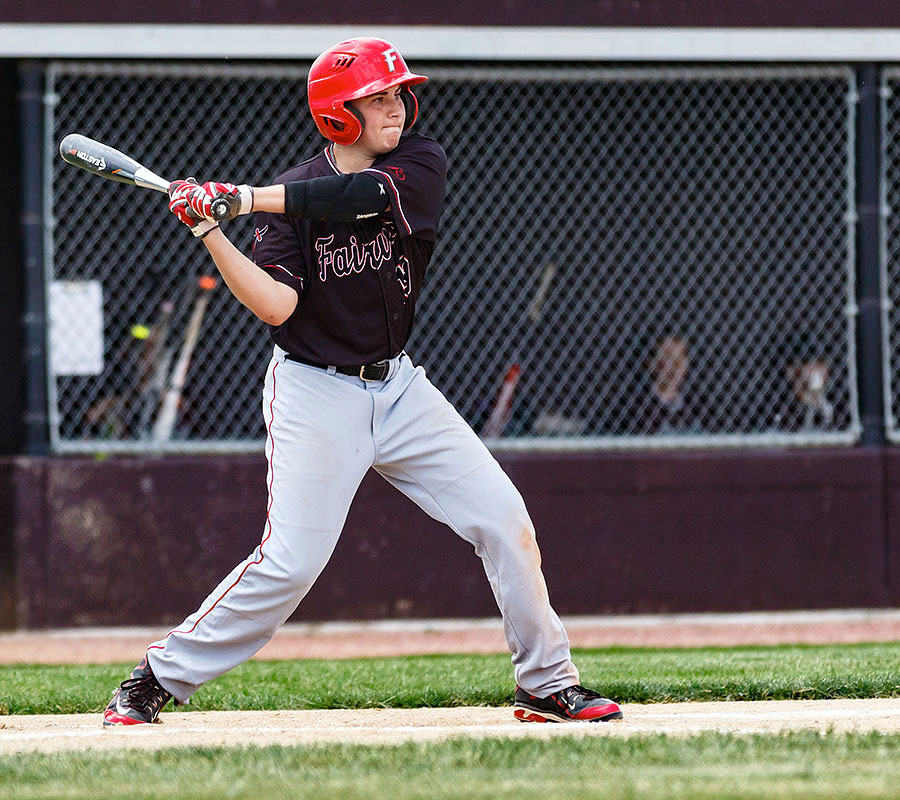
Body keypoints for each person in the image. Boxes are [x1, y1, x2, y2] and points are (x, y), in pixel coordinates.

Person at [102, 37, 622, 727]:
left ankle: (546, 683)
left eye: (396, 93)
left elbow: (361, 197)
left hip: (401, 387)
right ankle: (156, 678)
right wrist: (212, 232)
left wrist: (245, 198)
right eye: (376, 98)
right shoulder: (284, 207)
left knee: (505, 521)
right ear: (337, 115)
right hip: (316, 392)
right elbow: (276, 307)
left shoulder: (418, 161)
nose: (395, 107)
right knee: (290, 564)